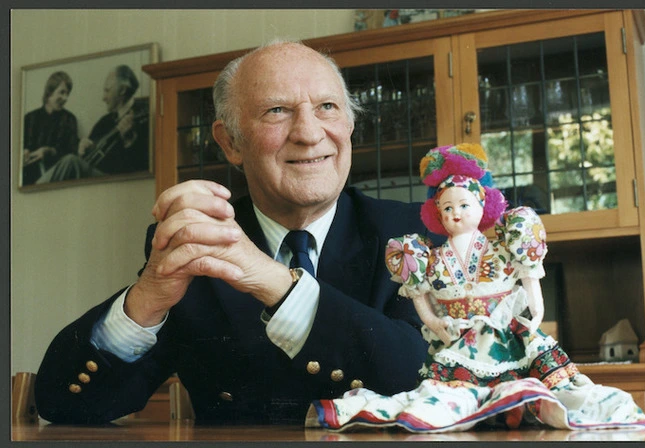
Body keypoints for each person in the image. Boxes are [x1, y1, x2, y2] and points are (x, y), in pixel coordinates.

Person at [34, 40, 441, 425]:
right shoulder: (201, 241)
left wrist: (276, 284)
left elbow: (435, 378)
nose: (309, 132)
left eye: (327, 107)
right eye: (277, 110)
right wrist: (147, 298)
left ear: (349, 126)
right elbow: (64, 404)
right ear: (230, 142)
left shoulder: (410, 233)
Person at [307, 144, 645, 433]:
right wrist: (434, 322)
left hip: (503, 335)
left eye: (464, 205)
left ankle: (514, 411)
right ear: (436, 215)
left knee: (539, 389)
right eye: (447, 208)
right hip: (458, 340)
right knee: (449, 398)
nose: (456, 213)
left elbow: (529, 276)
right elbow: (421, 297)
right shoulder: (424, 255)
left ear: (483, 206)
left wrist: (537, 310)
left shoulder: (506, 244)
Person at [36, 64, 149, 183]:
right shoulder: (104, 121)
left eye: (107, 90)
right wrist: (82, 149)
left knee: (70, 162)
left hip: (118, 183)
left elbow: (143, 166)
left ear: (122, 90)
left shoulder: (144, 116)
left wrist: (128, 142)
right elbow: (88, 156)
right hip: (93, 180)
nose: (103, 98)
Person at [22, 71, 79, 186]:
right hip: (28, 178)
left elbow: (73, 155)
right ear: (50, 91)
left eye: (67, 94)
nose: (65, 98)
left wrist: (50, 152)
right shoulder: (29, 118)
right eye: (61, 92)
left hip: (58, 179)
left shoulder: (70, 119)